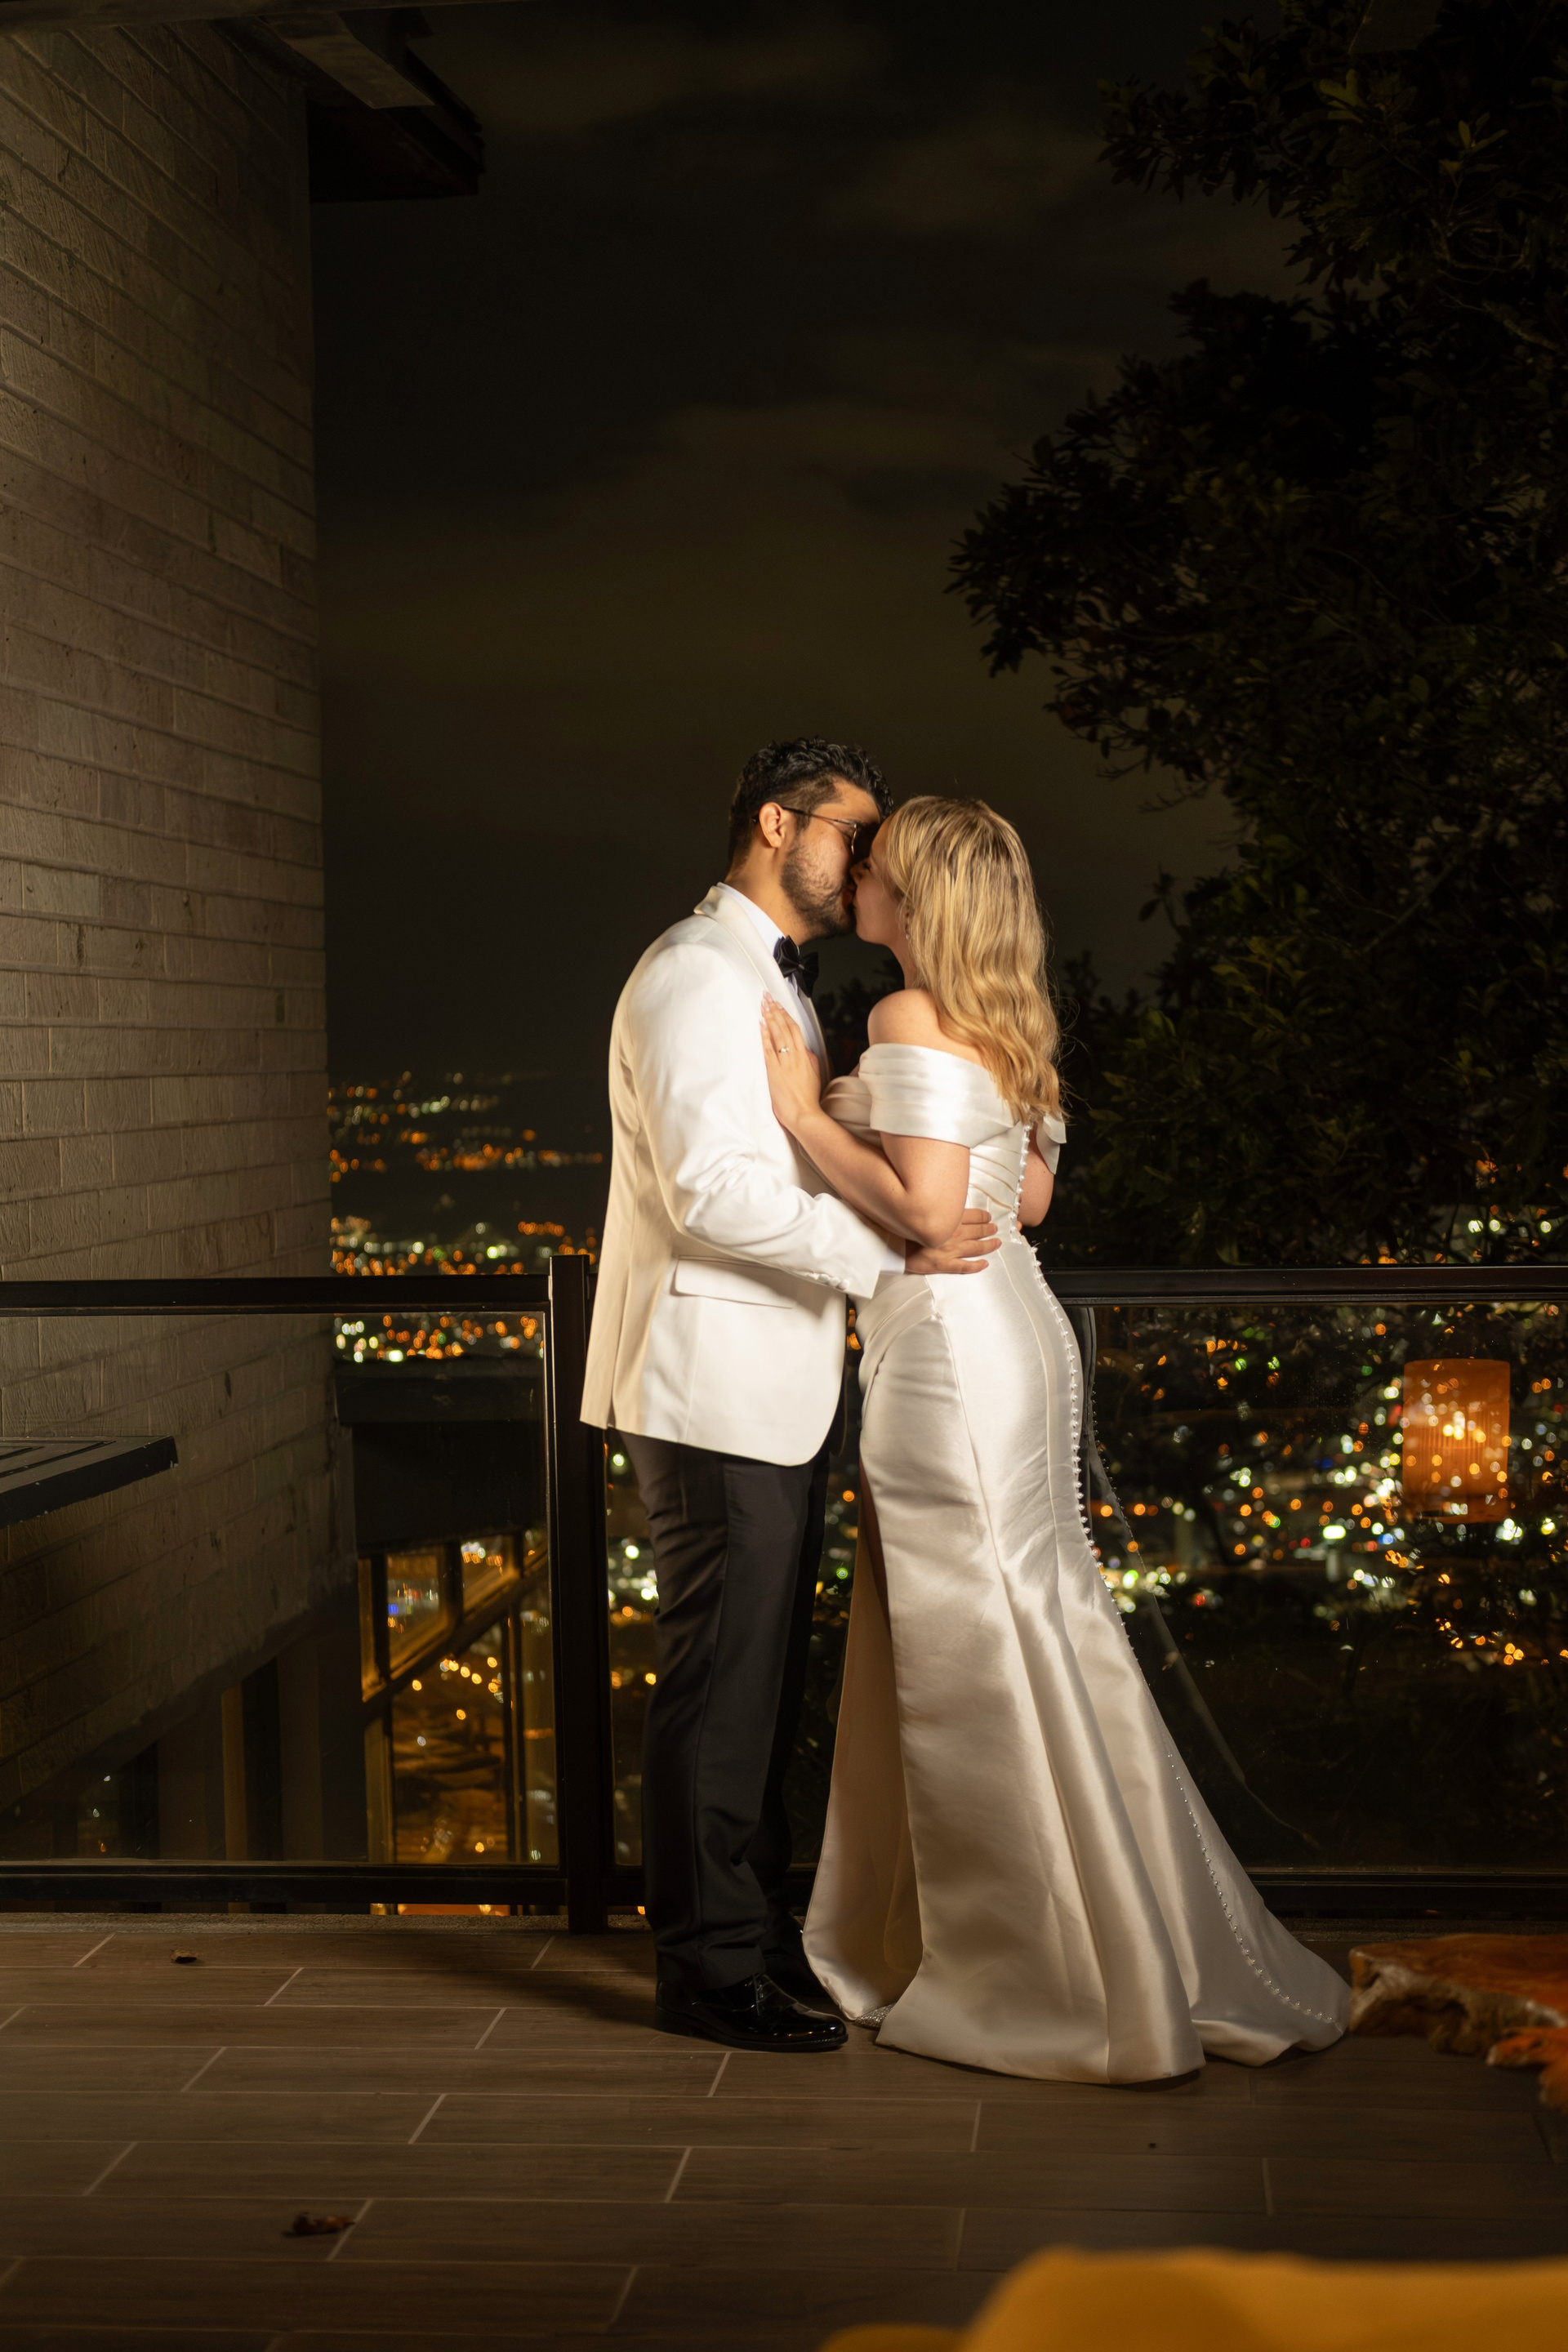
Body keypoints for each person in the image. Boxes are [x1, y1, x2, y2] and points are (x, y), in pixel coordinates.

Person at [759, 796, 1349, 2082]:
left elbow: (931, 1215)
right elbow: (1025, 1199)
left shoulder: (906, 1017)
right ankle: (1117, 1944)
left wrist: (808, 1120)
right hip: (1019, 1332)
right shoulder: (1001, 1024)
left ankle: (1042, 1974)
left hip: (950, 1353)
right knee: (1041, 1621)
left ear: (916, 897)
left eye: (879, 866)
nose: (860, 881)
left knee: (977, 1643)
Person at [581, 742, 1000, 2054]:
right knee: (719, 1686)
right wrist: (892, 1256)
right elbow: (712, 1194)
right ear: (777, 824)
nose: (868, 861)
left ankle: (750, 1939)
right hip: (712, 1386)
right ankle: (707, 1971)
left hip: (770, 1384)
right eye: (851, 834)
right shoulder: (695, 975)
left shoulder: (771, 982)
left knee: (754, 1687)